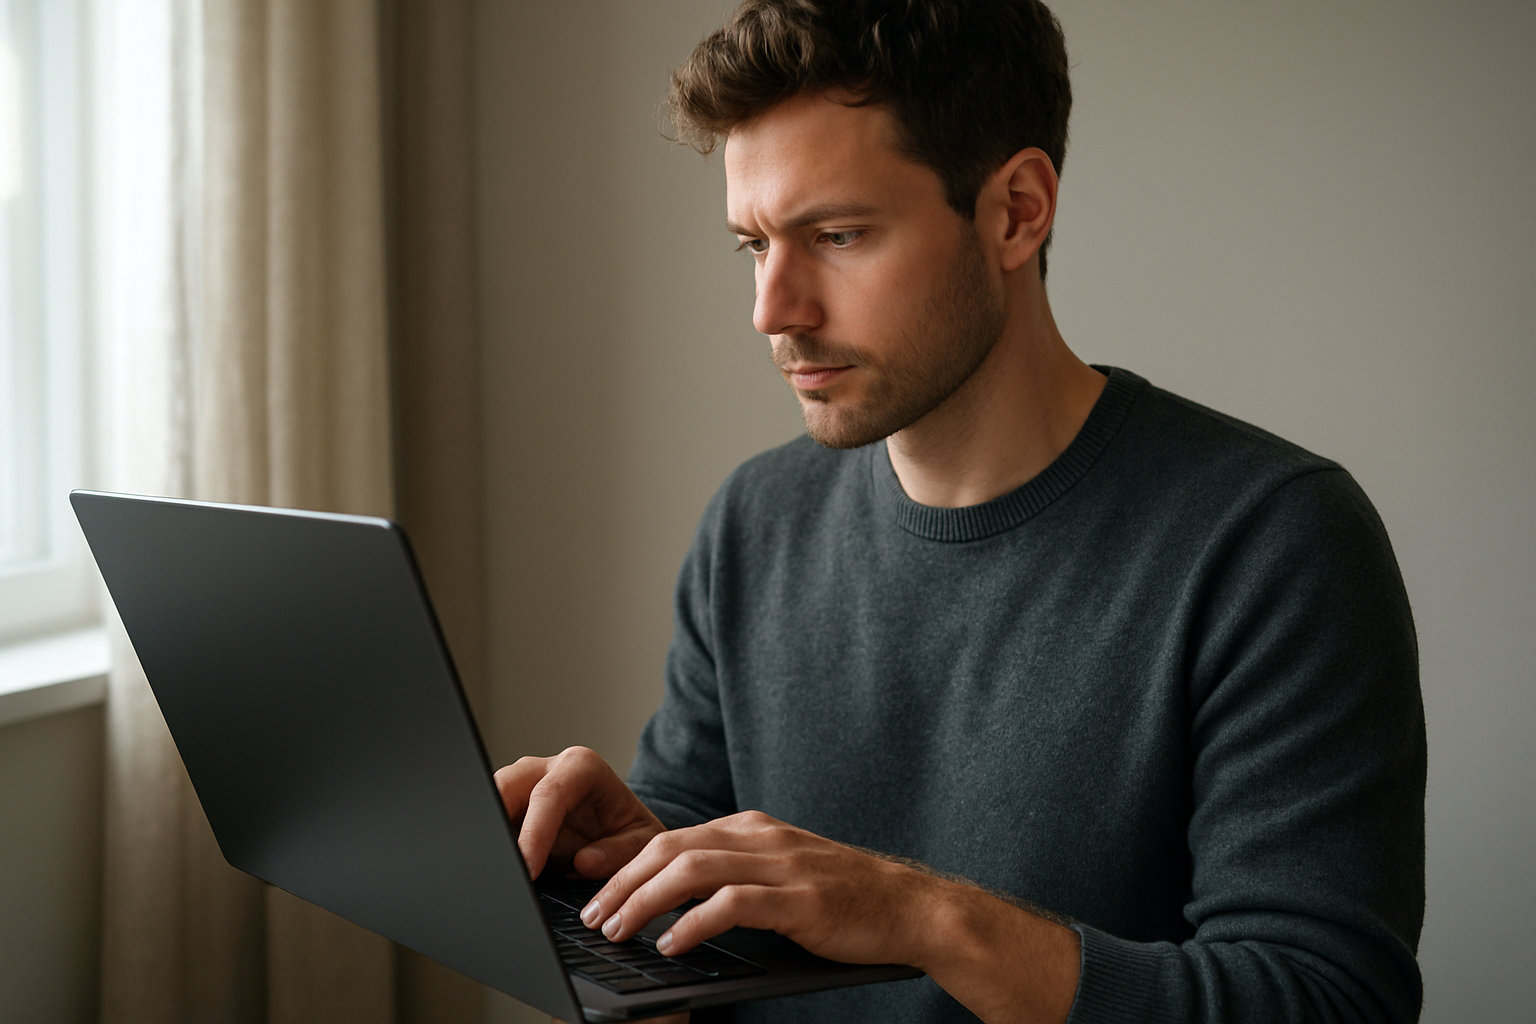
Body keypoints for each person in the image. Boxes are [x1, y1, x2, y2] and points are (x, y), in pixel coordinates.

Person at [494, 2, 1426, 1022]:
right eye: (753, 245)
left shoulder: (1272, 543)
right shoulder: (753, 522)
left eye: (837, 234)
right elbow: (728, 916)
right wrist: (617, 878)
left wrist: (925, 916)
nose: (774, 309)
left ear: (1018, 211)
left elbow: (1327, 1000)